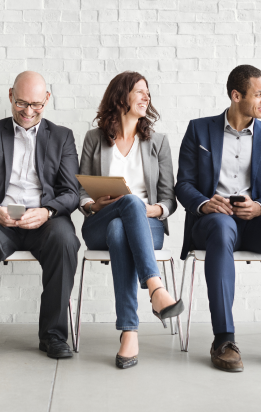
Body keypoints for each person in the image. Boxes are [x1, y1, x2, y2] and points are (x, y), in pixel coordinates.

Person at [176, 65, 261, 372]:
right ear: (236, 96)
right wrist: (205, 203)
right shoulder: (199, 130)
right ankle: (223, 339)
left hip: (255, 221)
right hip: (212, 222)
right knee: (222, 228)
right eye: (259, 94)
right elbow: (183, 184)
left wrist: (259, 206)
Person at [0, 71, 80, 360]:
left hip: (45, 219)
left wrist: (47, 211)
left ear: (47, 99)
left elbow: (72, 192)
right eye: (21, 103)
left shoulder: (62, 136)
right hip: (0, 218)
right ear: (11, 96)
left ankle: (53, 335)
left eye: (37, 105)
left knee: (66, 241)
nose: (29, 112)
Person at [78, 71, 182, 369]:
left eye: (147, 92)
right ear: (120, 96)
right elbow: (80, 191)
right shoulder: (94, 139)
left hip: (147, 225)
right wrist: (92, 203)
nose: (146, 96)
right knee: (121, 214)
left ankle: (129, 331)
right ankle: (155, 289)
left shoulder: (158, 143)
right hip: (100, 219)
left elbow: (168, 199)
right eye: (139, 91)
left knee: (122, 226)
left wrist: (151, 209)